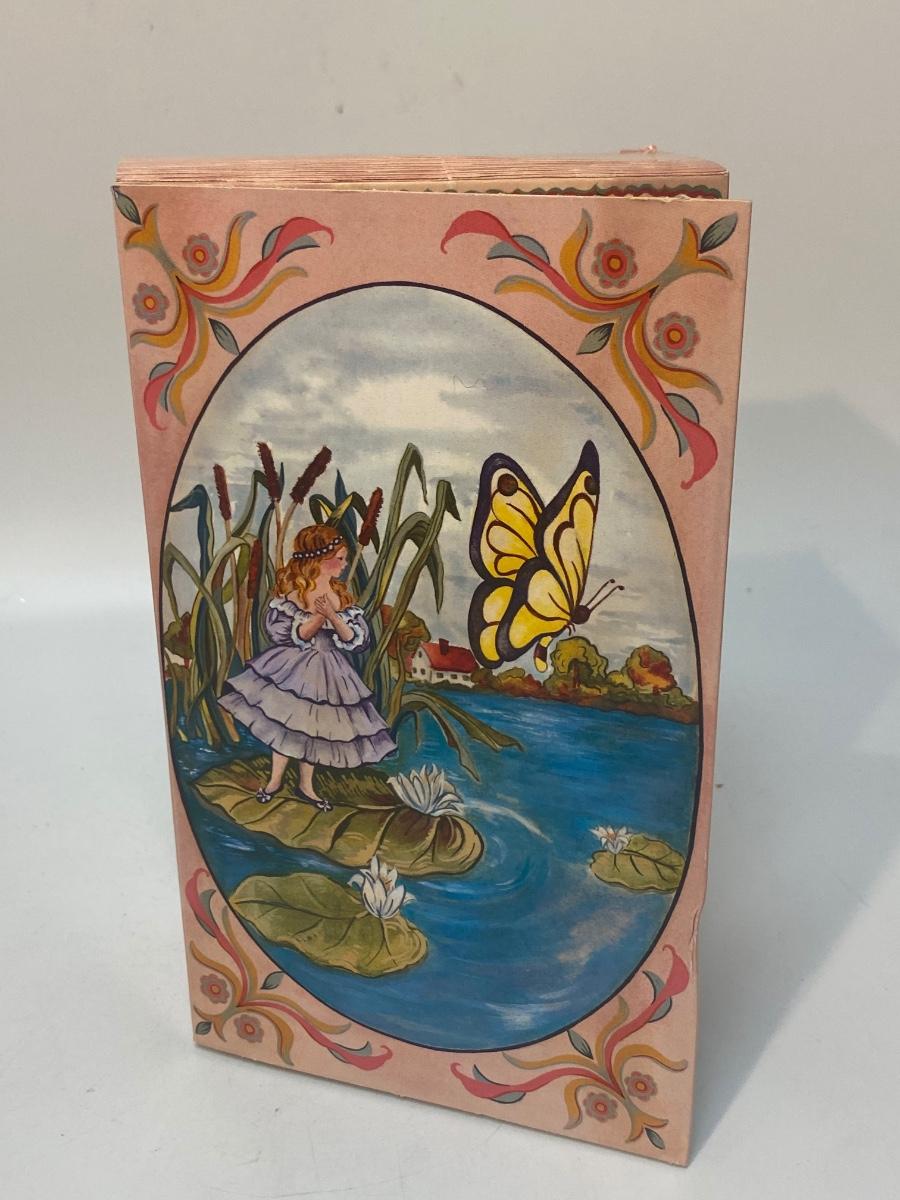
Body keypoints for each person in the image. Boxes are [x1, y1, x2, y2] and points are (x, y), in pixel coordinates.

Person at [218, 523, 396, 810]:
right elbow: (291, 633)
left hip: (330, 668)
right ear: (320, 559)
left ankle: (306, 785)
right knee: (286, 723)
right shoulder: (296, 593)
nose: (344, 565)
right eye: (339, 558)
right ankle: (275, 781)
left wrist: (333, 617)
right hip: (295, 665)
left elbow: (355, 639)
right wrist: (319, 617)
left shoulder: (340, 594)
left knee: (313, 728)